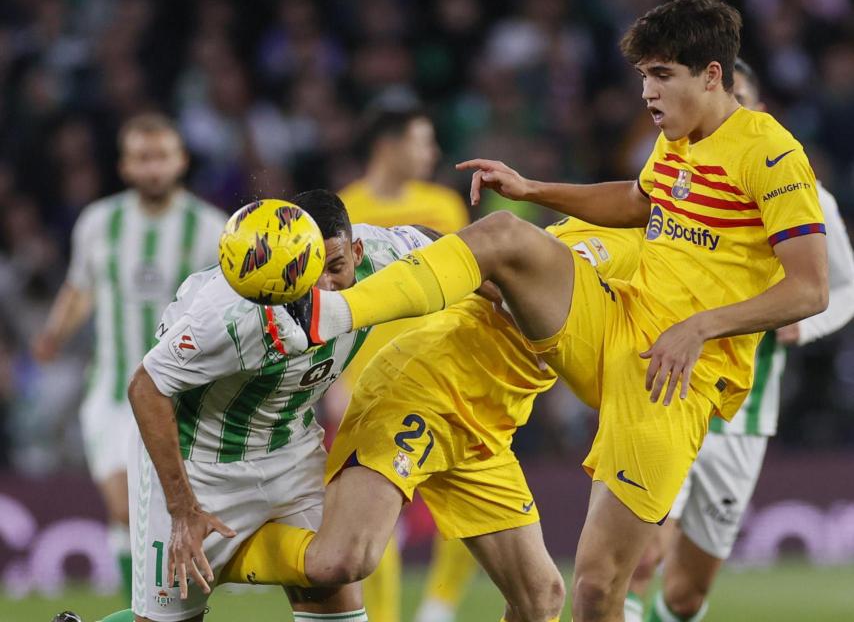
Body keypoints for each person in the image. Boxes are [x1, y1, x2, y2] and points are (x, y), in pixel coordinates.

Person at [278, 0, 829, 622]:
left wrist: (700, 327)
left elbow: (810, 290)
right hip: (616, 323)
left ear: (711, 75)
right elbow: (637, 201)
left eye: (662, 75)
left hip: (672, 377)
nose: (647, 92)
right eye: (643, 75)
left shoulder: (771, 154)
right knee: (504, 236)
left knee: (597, 590)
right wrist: (532, 189)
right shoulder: (677, 140)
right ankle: (335, 312)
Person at [217, 214, 645, 622]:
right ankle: (214, 551)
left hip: (488, 423)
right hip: (426, 389)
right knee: (348, 557)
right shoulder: (617, 238)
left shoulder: (663, 272)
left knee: (540, 597)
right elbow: (502, 244)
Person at [114, 190, 436, 622]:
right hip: (201, 467)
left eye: (337, 267)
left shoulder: (380, 254)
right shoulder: (230, 313)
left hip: (290, 451)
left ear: (357, 251)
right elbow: (145, 386)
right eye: (311, 273)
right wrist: (182, 509)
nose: (325, 287)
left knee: (335, 589)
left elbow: (449, 250)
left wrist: (498, 294)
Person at [623, 58, 854, 622]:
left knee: (686, 596)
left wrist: (804, 325)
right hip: (670, 389)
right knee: (641, 557)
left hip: (744, 414)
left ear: (758, 111)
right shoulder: (677, 177)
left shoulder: (805, 194)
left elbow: (844, 288)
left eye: (740, 103)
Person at [31, 113, 227, 603]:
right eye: (143, 158)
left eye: (161, 156)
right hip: (113, 391)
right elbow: (81, 288)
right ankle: (143, 603)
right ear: (125, 166)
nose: (153, 167)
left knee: (155, 513)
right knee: (124, 509)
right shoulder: (100, 222)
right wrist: (54, 333)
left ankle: (151, 605)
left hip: (180, 397)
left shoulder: (209, 227)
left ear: (181, 161)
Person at [337, 105, 472, 622]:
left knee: (470, 497)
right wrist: (335, 380)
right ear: (388, 146)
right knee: (373, 513)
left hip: (442, 374)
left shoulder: (444, 206)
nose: (432, 152)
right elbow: (330, 297)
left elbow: (466, 282)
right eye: (422, 141)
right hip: (368, 383)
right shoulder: (345, 208)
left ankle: (439, 607)